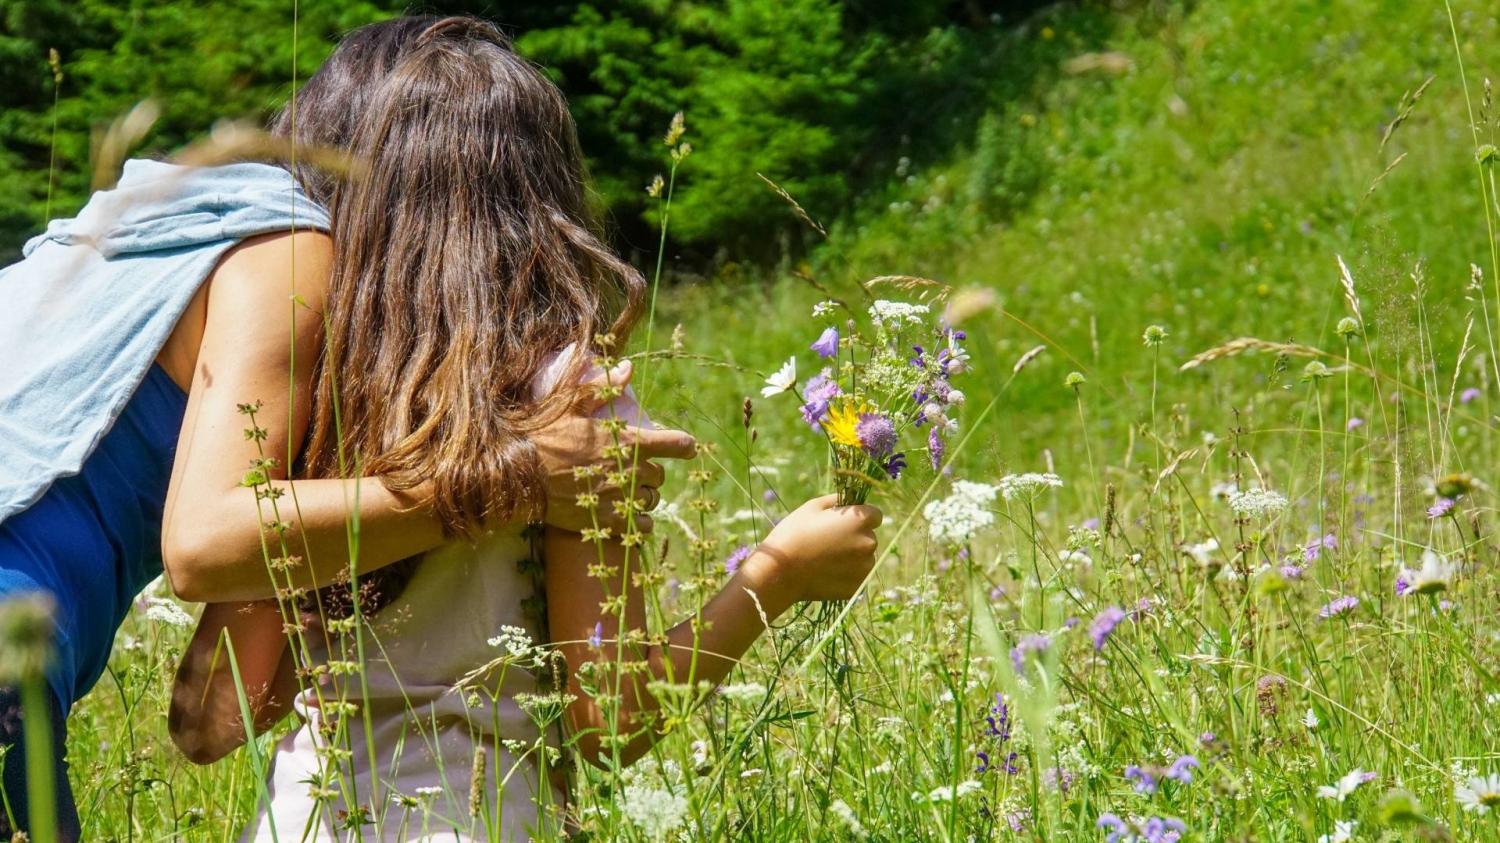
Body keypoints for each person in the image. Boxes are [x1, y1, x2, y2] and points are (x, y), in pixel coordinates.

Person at [164, 16, 884, 842]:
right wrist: (778, 573)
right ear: (537, 199)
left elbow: (210, 723)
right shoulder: (571, 399)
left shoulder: (314, 387)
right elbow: (610, 720)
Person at [0, 14, 698, 841]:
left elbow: (208, 718)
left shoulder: (162, 251)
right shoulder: (287, 253)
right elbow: (203, 544)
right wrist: (512, 473)